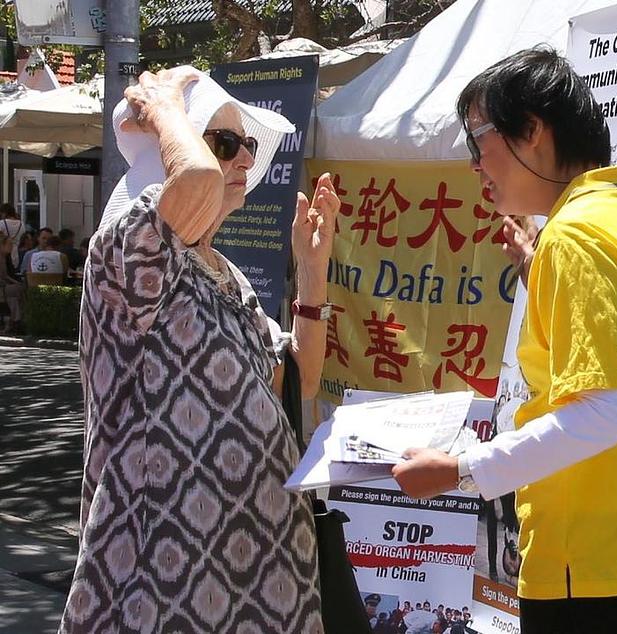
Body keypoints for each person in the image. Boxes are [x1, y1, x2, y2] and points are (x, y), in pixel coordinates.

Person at [391, 47, 617, 633]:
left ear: (532, 129)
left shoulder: (577, 236)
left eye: (477, 141)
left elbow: (607, 409)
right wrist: (540, 266)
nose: (474, 166)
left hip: (591, 565)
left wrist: (459, 470)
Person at [59, 67, 339, 633]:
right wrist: (164, 106)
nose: (242, 161)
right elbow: (194, 182)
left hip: (262, 572)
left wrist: (311, 274)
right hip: (164, 573)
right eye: (226, 143)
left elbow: (300, 380)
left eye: (248, 146)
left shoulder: (225, 272)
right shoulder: (125, 254)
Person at [0, 234, 24, 333]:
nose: (11, 247)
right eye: (9, 244)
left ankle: (17, 320)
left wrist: (17, 282)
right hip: (1, 286)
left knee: (19, 290)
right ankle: (15, 320)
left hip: (4, 285)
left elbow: (7, 275)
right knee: (15, 291)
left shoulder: (6, 258)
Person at [0, 203, 26, 267]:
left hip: (4, 252)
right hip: (17, 251)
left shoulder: (2, 223)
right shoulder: (22, 224)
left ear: (5, 213)